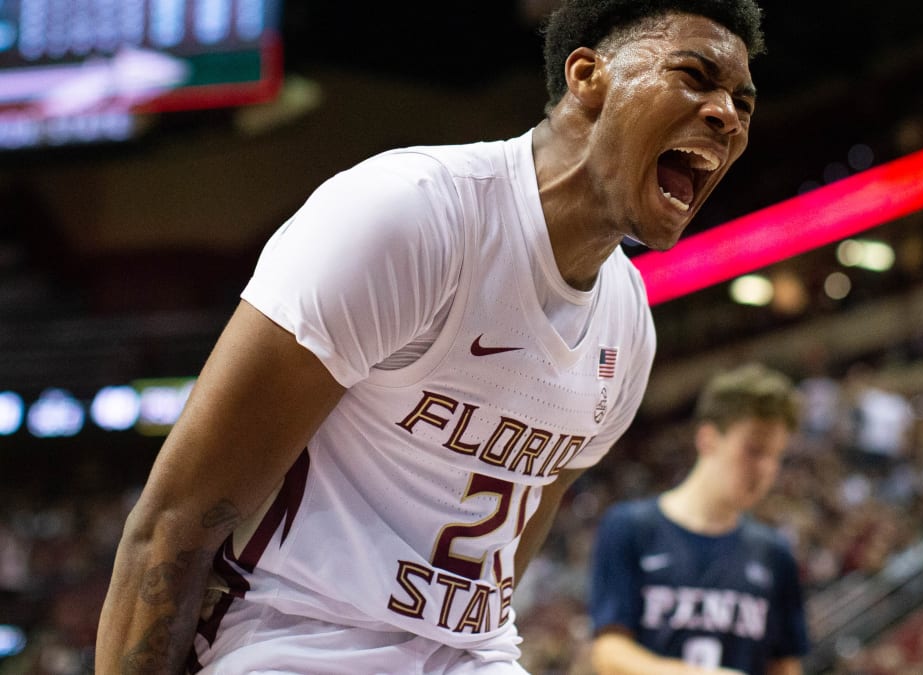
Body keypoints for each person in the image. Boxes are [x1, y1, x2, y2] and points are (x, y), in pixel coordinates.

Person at [95, 0, 765, 673]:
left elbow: (506, 558)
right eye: (695, 75)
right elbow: (171, 523)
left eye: (743, 100)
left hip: (469, 655)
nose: (728, 115)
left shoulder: (628, 327)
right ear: (587, 76)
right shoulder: (408, 217)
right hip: (293, 639)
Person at [589, 363, 808, 675]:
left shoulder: (775, 554)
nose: (765, 469)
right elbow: (608, 652)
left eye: (776, 456)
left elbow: (785, 666)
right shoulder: (629, 527)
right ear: (708, 439)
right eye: (754, 450)